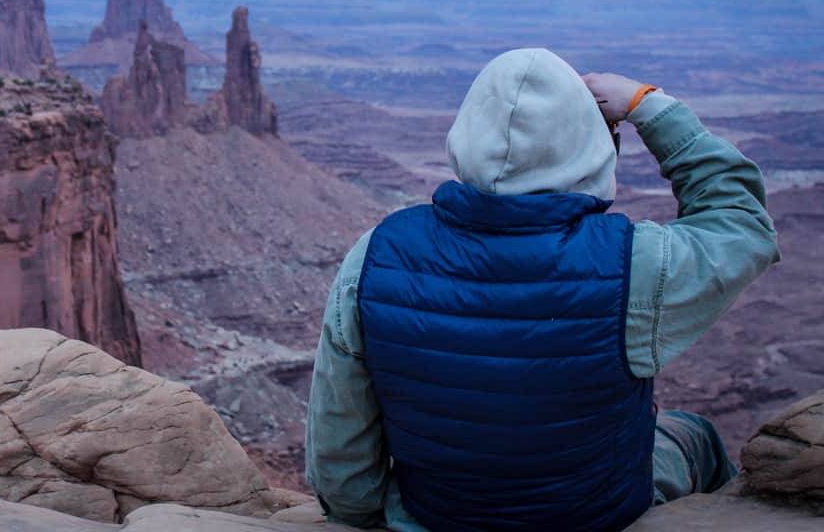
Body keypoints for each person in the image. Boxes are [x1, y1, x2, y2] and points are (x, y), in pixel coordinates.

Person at [305, 48, 780, 532]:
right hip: (598, 517)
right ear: (591, 144)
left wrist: (361, 516)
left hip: (439, 516)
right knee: (693, 435)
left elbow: (340, 427)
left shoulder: (378, 253)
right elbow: (742, 227)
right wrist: (646, 104)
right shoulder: (634, 261)